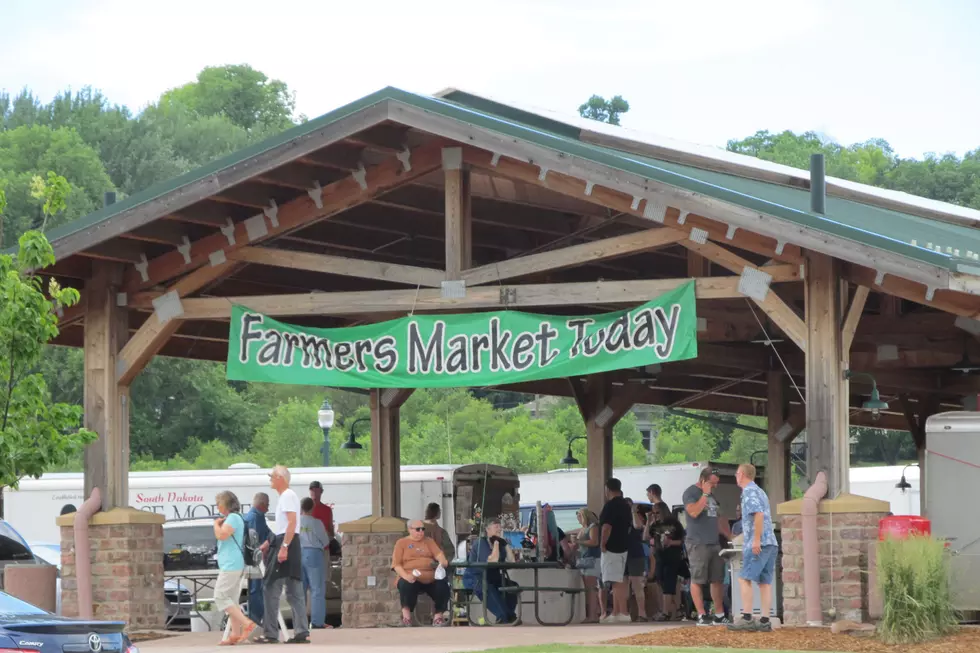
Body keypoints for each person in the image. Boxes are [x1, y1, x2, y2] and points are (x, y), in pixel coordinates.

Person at [255, 465, 309, 644]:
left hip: (287, 544)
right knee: (294, 590)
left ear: (280, 478)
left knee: (270, 588)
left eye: (272, 476)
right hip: (289, 542)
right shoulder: (288, 496)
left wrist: (284, 546)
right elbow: (282, 526)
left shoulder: (287, 496)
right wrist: (269, 542)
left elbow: (291, 523)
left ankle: (270, 633)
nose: (270, 479)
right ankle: (302, 631)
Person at [728, 464, 778, 633]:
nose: (736, 476)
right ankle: (764, 620)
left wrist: (756, 540)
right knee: (764, 582)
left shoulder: (748, 491)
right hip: (771, 542)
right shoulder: (760, 491)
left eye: (736, 473)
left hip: (759, 543)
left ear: (741, 474)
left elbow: (758, 514)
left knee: (744, 579)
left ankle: (747, 618)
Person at [683, 468, 732, 626]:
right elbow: (694, 512)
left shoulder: (712, 496)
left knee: (716, 579)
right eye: (712, 483)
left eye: (716, 483)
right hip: (697, 543)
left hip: (714, 543)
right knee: (698, 579)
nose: (714, 486)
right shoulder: (691, 492)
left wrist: (730, 537)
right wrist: (704, 494)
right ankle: (701, 615)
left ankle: (718, 614)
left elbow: (718, 519)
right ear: (703, 480)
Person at [212, 491, 257, 645]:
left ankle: (247, 624)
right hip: (235, 563)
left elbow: (222, 535)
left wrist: (215, 525)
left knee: (220, 596)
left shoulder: (232, 518)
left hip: (230, 564)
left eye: (219, 503)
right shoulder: (237, 518)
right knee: (232, 600)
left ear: (225, 504)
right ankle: (235, 634)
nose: (217, 506)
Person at [392, 519, 451, 626]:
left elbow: (438, 554)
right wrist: (406, 576)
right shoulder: (401, 543)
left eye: (423, 529)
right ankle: (406, 617)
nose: (421, 532)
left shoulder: (429, 541)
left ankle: (438, 616)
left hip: (430, 576)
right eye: (418, 529)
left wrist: (442, 561)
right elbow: (396, 565)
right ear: (409, 529)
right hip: (410, 575)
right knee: (405, 585)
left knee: (443, 585)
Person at [463, 518, 519, 625]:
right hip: (476, 577)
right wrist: (497, 543)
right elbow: (492, 561)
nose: (499, 529)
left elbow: (511, 561)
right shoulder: (481, 542)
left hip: (493, 576)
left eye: (499, 526)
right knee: (488, 589)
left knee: (513, 587)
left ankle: (509, 615)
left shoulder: (500, 543)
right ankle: (504, 616)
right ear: (487, 530)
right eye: (495, 526)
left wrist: (505, 544)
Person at [599, 478, 632, 624]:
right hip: (624, 545)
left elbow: (607, 527)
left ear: (607, 489)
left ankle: (624, 612)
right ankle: (617, 612)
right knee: (620, 579)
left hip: (612, 547)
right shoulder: (626, 505)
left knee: (615, 580)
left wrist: (602, 543)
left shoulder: (610, 506)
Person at [648, 503, 685, 621]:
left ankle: (666, 611)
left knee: (669, 583)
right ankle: (671, 609)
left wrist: (671, 543)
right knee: (661, 581)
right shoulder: (655, 524)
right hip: (660, 556)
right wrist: (650, 521)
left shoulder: (674, 524)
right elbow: (646, 537)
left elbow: (682, 541)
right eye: (654, 513)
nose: (656, 515)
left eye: (657, 512)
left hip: (672, 557)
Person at [299, 498, 330, 630]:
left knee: (300, 590)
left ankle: (300, 623)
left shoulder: (295, 522)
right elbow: (325, 540)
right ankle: (317, 622)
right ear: (312, 508)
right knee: (317, 589)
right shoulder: (317, 523)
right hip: (314, 554)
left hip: (298, 553)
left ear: (300, 508)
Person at [570, 508, 603, 623]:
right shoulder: (583, 529)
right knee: (588, 589)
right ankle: (591, 614)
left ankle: (593, 615)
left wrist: (578, 542)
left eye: (579, 517)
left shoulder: (593, 527)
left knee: (591, 589)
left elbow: (594, 542)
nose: (578, 520)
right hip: (584, 559)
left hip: (592, 559)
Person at [244, 492, 271, 625]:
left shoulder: (256, 516)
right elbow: (255, 541)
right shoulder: (255, 518)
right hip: (256, 560)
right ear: (261, 504)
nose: (268, 508)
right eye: (267, 505)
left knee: (257, 589)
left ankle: (257, 620)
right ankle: (256, 621)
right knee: (256, 590)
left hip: (255, 559)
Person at [624, 499, 648, 622]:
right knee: (623, 586)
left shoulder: (635, 518)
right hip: (622, 555)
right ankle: (625, 612)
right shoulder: (620, 519)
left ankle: (642, 613)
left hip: (635, 555)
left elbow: (638, 526)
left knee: (637, 585)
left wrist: (633, 512)